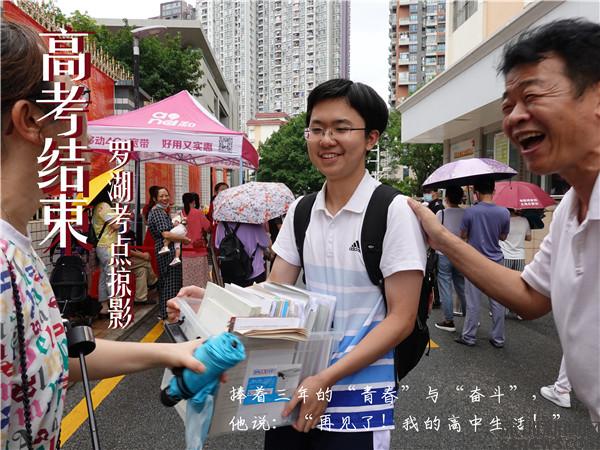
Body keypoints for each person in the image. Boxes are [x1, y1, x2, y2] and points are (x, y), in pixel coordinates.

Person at [174, 79, 426, 449]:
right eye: (317, 129)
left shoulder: (394, 211)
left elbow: (401, 319)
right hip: (290, 391)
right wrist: (209, 301)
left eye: (341, 128)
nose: (326, 139)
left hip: (358, 403)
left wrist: (326, 379)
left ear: (371, 138)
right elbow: (273, 294)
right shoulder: (302, 211)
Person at [0, 20, 208, 449]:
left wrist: (171, 352)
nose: (88, 130)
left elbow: (54, 354)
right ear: (29, 121)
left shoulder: (17, 245)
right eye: (75, 108)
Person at [407, 19, 600, 422]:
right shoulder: (569, 208)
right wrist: (439, 236)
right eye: (508, 106)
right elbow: (529, 296)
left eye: (532, 96)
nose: (514, 118)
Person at [454, 177, 510, 348]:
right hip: (496, 262)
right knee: (497, 302)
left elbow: (463, 235)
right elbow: (503, 237)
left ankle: (469, 336)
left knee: (473, 301)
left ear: (476, 193)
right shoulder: (504, 212)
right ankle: (498, 338)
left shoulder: (470, 212)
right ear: (494, 191)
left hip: (474, 262)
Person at [147, 186, 190, 319]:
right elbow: (165, 234)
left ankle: (168, 312)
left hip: (165, 250)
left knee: (168, 282)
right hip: (166, 252)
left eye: (166, 195)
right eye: (161, 196)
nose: (165, 198)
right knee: (170, 282)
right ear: (155, 198)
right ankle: (168, 314)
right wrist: (183, 239)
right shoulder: (158, 212)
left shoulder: (160, 211)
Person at [434, 186, 467, 332]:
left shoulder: (441, 214)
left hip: (443, 254)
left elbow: (434, 232)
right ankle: (471, 317)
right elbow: (467, 234)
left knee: (445, 286)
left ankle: (448, 321)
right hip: (460, 254)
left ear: (446, 198)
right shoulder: (466, 213)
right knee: (461, 286)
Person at [90, 185, 119, 316]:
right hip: (108, 246)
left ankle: (104, 307)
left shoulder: (97, 207)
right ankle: (116, 307)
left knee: (104, 276)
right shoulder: (105, 206)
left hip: (101, 247)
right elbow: (116, 225)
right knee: (112, 276)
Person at [215, 221, 270, 286]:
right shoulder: (255, 224)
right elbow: (266, 243)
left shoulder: (221, 225)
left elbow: (217, 245)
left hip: (229, 270)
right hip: (254, 271)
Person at [500, 208, 532, 319]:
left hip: (505, 255)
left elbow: (500, 236)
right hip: (520, 256)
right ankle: (519, 312)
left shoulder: (503, 220)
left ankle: (502, 310)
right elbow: (529, 238)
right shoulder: (525, 221)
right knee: (520, 285)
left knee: (503, 284)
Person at [181, 192, 211, 288]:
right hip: (199, 251)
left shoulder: (180, 214)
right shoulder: (198, 213)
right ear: (194, 202)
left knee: (187, 280)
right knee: (201, 281)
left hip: (185, 252)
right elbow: (208, 228)